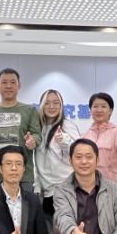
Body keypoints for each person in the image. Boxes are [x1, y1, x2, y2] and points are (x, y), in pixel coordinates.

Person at [0, 68, 42, 188]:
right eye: (4, 82)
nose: (8, 86)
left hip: (23, 177)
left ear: (19, 85)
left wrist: (33, 141)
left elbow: (37, 135)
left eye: (13, 82)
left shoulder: (30, 110)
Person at [34, 89, 80, 220]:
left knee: (67, 225)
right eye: (47, 103)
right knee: (48, 227)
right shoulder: (37, 127)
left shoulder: (67, 125)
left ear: (61, 106)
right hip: (45, 188)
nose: (51, 107)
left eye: (56, 103)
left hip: (65, 186)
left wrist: (65, 141)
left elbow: (78, 152)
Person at [81, 93, 117, 185]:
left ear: (110, 111)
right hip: (93, 184)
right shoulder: (85, 135)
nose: (99, 110)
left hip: (115, 183)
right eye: (95, 106)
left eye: (103, 106)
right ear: (90, 110)